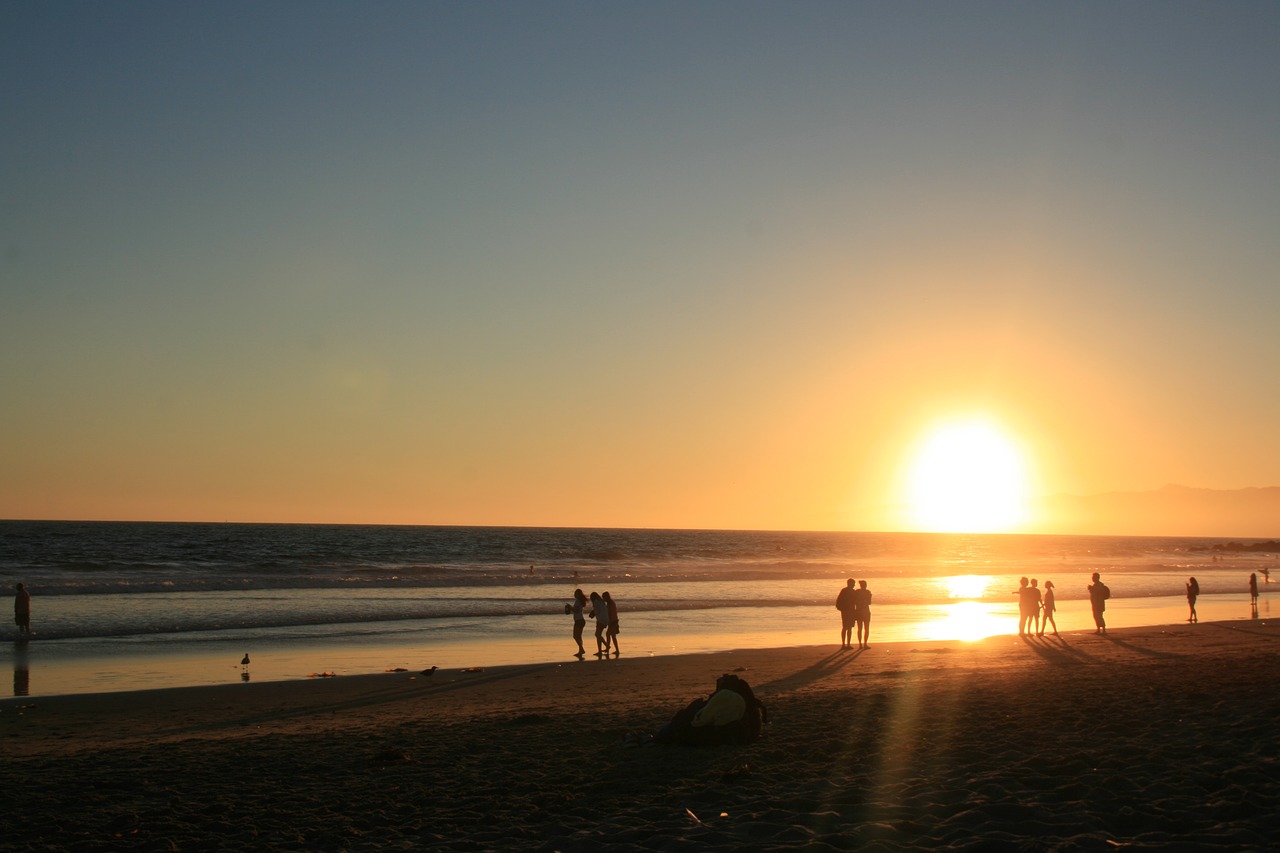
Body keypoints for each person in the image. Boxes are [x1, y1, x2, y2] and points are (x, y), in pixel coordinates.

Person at [835, 579, 857, 649]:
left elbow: (838, 601)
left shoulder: (850, 591)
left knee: (847, 627)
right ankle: (845, 644)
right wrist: (841, 609)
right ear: (849, 584)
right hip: (847, 611)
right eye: (853, 583)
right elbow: (838, 601)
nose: (854, 585)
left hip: (849, 611)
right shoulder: (846, 591)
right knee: (846, 627)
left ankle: (846, 644)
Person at [852, 580, 872, 650]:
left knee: (860, 628)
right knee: (865, 628)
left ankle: (861, 644)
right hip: (864, 611)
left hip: (860, 611)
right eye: (864, 585)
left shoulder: (857, 592)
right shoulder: (867, 592)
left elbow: (854, 601)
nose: (865, 586)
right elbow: (869, 602)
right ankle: (864, 644)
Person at [589, 592, 609, 657]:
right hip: (605, 619)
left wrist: (593, 614)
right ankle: (600, 650)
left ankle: (605, 646)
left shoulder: (596, 602)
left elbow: (597, 611)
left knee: (597, 634)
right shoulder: (601, 602)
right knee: (598, 634)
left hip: (601, 620)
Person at [570, 588, 588, 657]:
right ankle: (580, 650)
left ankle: (581, 649)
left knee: (575, 636)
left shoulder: (578, 601)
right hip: (581, 620)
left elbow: (576, 610)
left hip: (579, 620)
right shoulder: (580, 601)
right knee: (579, 637)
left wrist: (570, 607)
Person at [602, 591, 620, 656]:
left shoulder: (610, 603)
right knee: (611, 635)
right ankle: (614, 649)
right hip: (614, 620)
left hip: (612, 621)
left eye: (603, 597)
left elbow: (610, 613)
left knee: (609, 635)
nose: (603, 599)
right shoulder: (611, 602)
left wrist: (609, 622)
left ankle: (610, 648)